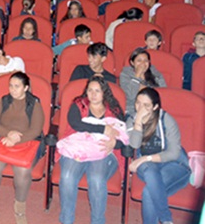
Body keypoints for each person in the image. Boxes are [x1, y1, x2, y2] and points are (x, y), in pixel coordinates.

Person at [58, 76, 126, 224]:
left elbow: (125, 135)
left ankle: (98, 221)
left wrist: (115, 142)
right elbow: (76, 125)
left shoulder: (113, 109)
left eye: (97, 91)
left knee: (96, 179)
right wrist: (103, 128)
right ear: (86, 92)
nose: (93, 94)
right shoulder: (79, 104)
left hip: (104, 150)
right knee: (68, 176)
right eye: (90, 90)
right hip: (78, 147)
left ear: (104, 93)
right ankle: (67, 219)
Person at [0, 72, 45, 224]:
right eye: (11, 86)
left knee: (23, 171)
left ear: (26, 88)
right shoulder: (2, 102)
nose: (12, 89)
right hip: (2, 138)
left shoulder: (35, 104)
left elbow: (36, 130)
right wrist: (8, 134)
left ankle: (20, 208)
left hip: (28, 141)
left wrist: (16, 139)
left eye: (17, 86)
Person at [126, 88, 191, 224]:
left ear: (155, 107)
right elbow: (135, 144)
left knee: (149, 193)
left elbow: (173, 153)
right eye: (138, 103)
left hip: (174, 164)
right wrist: (138, 122)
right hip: (149, 167)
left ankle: (165, 218)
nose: (140, 108)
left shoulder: (166, 120)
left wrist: (145, 158)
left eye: (146, 105)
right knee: (150, 171)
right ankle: (167, 219)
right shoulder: (131, 120)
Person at [119, 48, 167, 118]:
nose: (143, 64)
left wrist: (143, 89)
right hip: (132, 111)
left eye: (146, 61)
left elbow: (163, 93)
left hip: (152, 111)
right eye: (139, 60)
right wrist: (137, 75)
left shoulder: (155, 73)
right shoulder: (125, 74)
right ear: (132, 63)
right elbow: (131, 96)